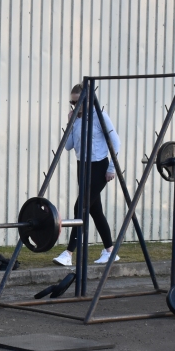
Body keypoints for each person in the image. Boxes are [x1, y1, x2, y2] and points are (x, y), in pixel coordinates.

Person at [53, 83, 121, 267]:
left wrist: (112, 168)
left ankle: (69, 253)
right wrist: (70, 123)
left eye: (78, 102)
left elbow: (116, 142)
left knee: (80, 207)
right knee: (95, 210)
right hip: (81, 166)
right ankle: (110, 251)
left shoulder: (100, 117)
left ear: (88, 100)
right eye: (72, 103)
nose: (75, 107)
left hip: (99, 166)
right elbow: (68, 146)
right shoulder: (76, 119)